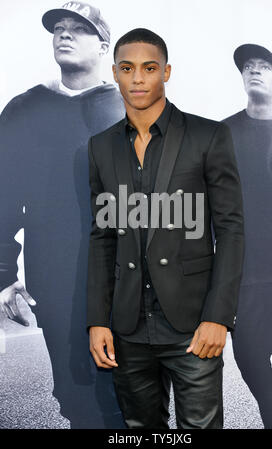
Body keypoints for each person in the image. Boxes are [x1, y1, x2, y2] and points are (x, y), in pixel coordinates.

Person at [87, 28, 244, 429]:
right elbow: (103, 237)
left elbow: (230, 231)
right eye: (128, 68)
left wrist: (218, 317)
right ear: (115, 74)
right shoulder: (100, 146)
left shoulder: (209, 136)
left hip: (193, 327)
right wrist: (97, 320)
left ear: (166, 72)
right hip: (127, 328)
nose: (138, 78)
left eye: (149, 67)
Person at [0, 2, 125, 428]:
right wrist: (2, 275)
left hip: (130, 285)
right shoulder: (24, 110)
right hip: (58, 283)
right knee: (78, 401)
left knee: (131, 401)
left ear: (104, 45)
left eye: (79, 29)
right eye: (59, 28)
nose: (64, 34)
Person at [223, 44, 272, 429]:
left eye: (264, 66)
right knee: (253, 366)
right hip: (243, 283)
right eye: (248, 66)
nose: (253, 70)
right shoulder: (219, 137)